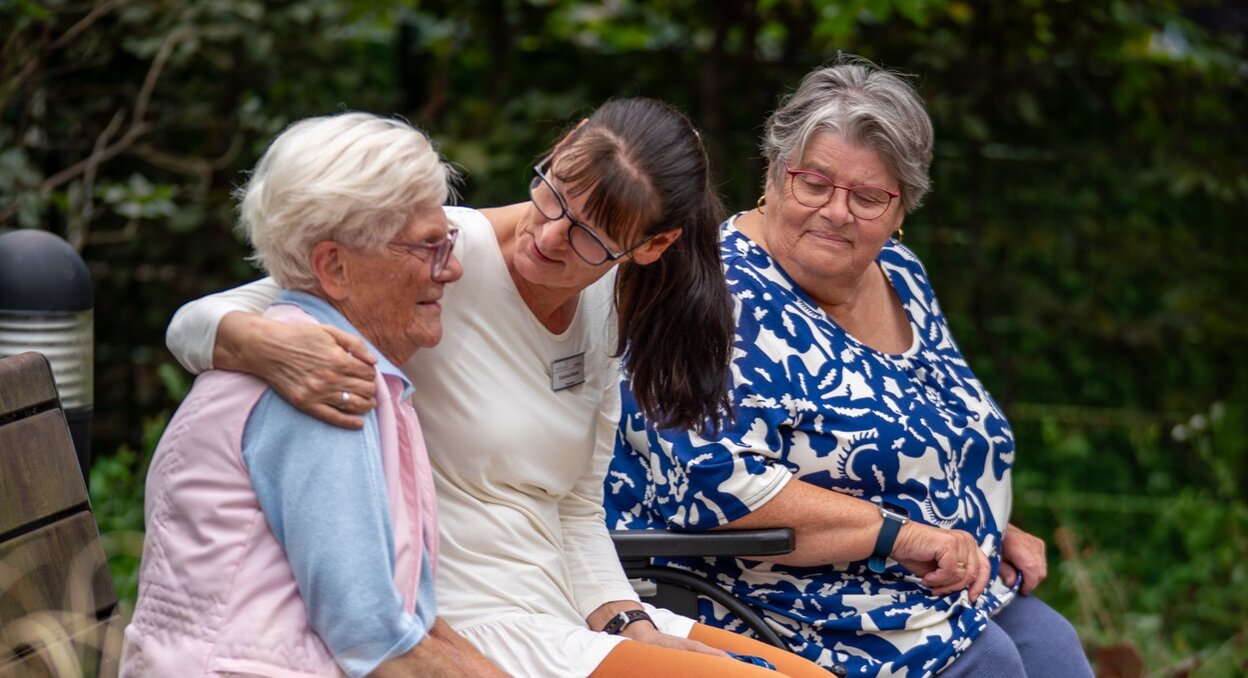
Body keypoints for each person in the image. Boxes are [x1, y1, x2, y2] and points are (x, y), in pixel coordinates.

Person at [165, 98, 829, 678]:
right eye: (553, 194)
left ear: (651, 247)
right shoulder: (436, 255)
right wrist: (260, 342)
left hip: (566, 611)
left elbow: (575, 506)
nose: (547, 235)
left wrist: (630, 623)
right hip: (472, 623)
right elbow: (229, 310)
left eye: (591, 236)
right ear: (565, 143)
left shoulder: (602, 297)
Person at [605, 57, 1095, 678]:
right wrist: (905, 534)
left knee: (1054, 650)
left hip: (925, 578)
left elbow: (938, 428)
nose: (836, 211)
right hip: (772, 596)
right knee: (990, 664)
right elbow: (712, 482)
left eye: (867, 197)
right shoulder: (705, 293)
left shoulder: (899, 272)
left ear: (902, 208)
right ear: (774, 175)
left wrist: (984, 522)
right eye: (814, 183)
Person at [121, 112, 505, 677]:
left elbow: (409, 622)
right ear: (335, 267)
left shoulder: (337, 361)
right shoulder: (319, 384)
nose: (452, 269)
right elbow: (374, 644)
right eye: (428, 247)